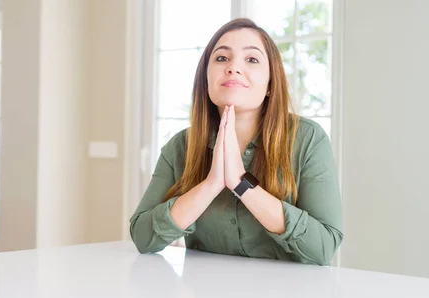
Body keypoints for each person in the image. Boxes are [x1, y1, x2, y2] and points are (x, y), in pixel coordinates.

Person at [129, 18, 343, 266]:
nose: (233, 67)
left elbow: (324, 247)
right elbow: (143, 238)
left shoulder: (308, 139)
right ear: (205, 79)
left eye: (251, 59)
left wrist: (241, 184)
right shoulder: (179, 147)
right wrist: (211, 184)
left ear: (271, 85)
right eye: (222, 58)